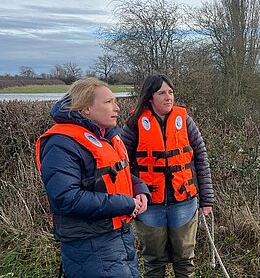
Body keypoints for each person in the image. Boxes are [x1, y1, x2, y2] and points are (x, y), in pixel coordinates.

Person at [35, 77, 150, 277]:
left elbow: (117, 174)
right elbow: (66, 199)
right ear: (87, 108)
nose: (117, 108)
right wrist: (125, 203)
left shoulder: (107, 136)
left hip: (119, 235)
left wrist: (139, 189)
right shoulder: (61, 144)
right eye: (109, 102)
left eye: (115, 101)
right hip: (89, 243)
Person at [121, 74, 214, 278]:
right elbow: (120, 163)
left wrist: (206, 199)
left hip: (184, 202)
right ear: (149, 97)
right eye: (161, 92)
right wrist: (130, 197)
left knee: (185, 260)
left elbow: (201, 158)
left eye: (170, 92)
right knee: (154, 261)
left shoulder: (185, 120)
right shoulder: (134, 124)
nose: (168, 97)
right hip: (149, 205)